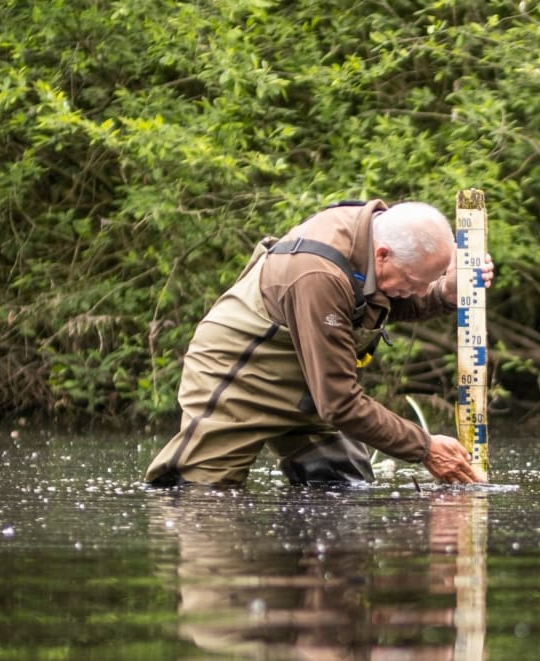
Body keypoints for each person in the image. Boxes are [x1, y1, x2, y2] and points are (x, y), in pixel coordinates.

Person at [145, 199, 491, 486]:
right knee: (200, 500)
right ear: (383, 254)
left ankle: (307, 566)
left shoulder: (373, 243)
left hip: (308, 382)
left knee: (343, 485)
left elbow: (386, 298)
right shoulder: (319, 275)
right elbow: (339, 403)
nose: (418, 291)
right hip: (239, 377)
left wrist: (444, 292)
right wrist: (425, 447)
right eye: (417, 281)